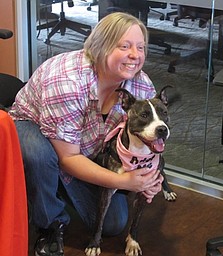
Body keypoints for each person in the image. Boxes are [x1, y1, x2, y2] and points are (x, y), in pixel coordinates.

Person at [9, 12, 164, 256]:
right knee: (39, 155)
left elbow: (148, 139)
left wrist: (149, 180)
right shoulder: (67, 81)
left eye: (141, 47)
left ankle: (55, 183)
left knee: (112, 225)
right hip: (34, 127)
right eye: (125, 46)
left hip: (87, 147)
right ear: (101, 47)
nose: (136, 55)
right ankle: (50, 224)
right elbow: (69, 157)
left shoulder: (141, 85)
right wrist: (124, 182)